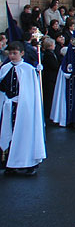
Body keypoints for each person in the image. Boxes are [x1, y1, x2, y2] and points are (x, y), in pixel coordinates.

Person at [0, 41, 46, 175]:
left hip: (24, 108)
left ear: (22, 53)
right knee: (10, 133)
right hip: (9, 106)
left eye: (15, 53)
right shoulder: (5, 68)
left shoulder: (28, 69)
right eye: (10, 53)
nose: (12, 56)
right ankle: (10, 163)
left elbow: (31, 92)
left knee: (25, 134)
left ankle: (28, 163)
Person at [41, 37, 59, 121]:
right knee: (49, 96)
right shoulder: (49, 55)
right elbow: (54, 66)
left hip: (51, 78)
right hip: (50, 78)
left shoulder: (51, 54)